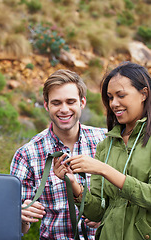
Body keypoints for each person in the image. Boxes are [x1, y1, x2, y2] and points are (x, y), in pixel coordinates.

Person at [53, 62, 151, 240]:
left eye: (121, 95)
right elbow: (97, 213)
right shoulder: (106, 145)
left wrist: (104, 169)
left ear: (143, 94)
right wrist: (74, 184)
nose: (114, 104)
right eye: (110, 97)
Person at [10, 69, 107, 239]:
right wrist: (22, 216)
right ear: (46, 105)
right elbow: (18, 229)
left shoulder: (105, 142)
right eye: (56, 103)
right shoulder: (27, 154)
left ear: (82, 102)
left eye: (71, 102)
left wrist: (108, 217)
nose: (64, 109)